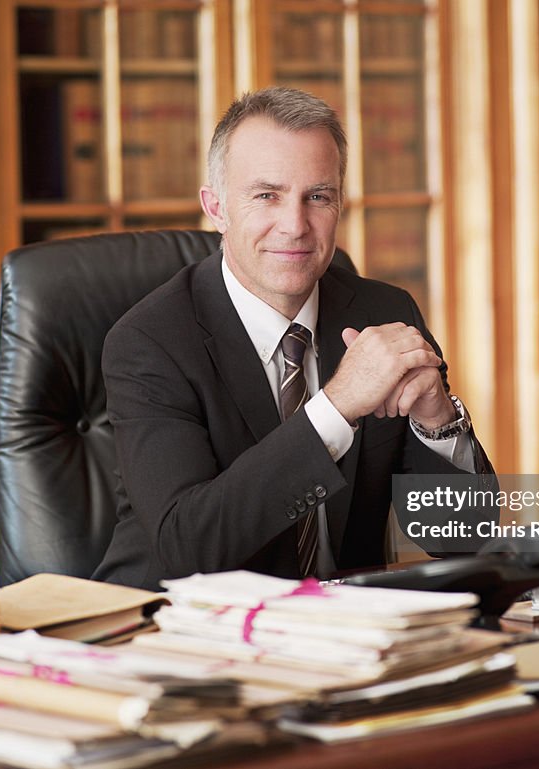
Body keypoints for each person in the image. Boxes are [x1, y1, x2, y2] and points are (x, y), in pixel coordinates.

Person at [93, 86, 494, 591]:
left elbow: (464, 538)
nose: (295, 225)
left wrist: (437, 422)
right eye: (267, 195)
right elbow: (188, 546)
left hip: (341, 637)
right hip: (178, 633)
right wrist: (338, 405)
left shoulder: (384, 313)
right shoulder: (149, 342)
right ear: (216, 208)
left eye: (317, 197)